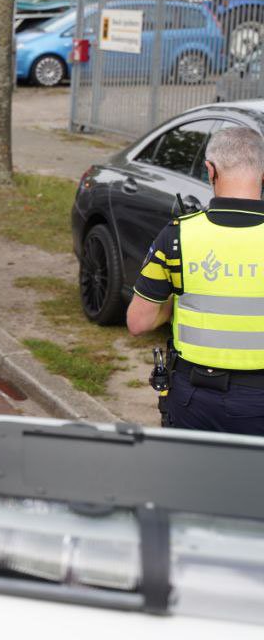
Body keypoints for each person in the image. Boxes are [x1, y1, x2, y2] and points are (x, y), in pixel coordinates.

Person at [127, 125, 264, 435]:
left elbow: (138, 322)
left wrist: (177, 302)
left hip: (195, 399)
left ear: (209, 170)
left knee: (193, 482)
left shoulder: (176, 237)